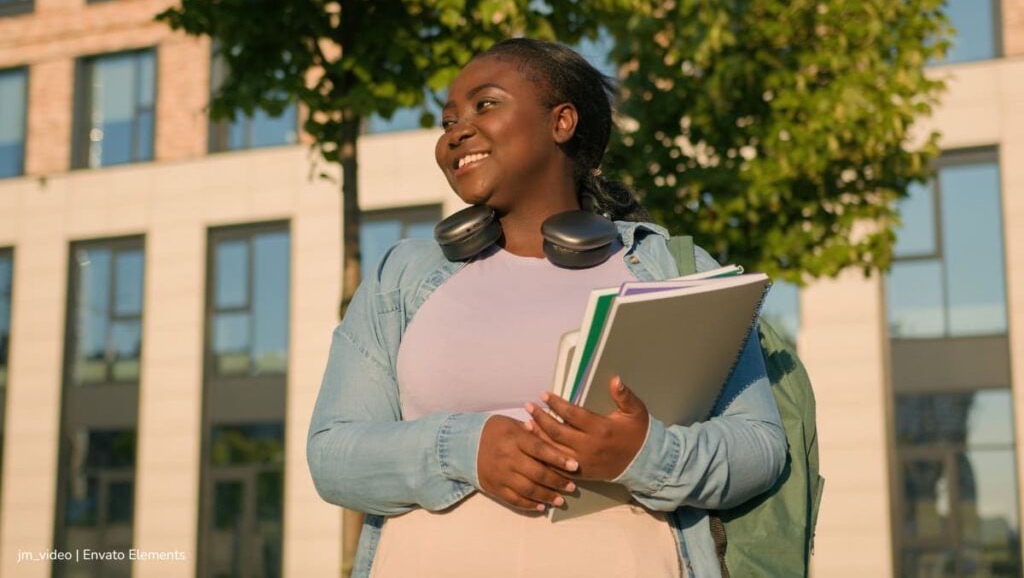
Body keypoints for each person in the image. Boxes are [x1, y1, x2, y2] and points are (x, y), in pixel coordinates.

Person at [307, 38, 786, 578]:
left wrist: (643, 454)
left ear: (562, 122)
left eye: (485, 105)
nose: (456, 132)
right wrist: (463, 449)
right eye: (447, 121)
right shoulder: (400, 279)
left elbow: (759, 447)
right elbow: (333, 455)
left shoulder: (670, 267)